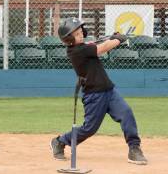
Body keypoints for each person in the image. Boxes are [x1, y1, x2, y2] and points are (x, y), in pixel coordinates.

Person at [50, 17, 147, 165]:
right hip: (94, 96)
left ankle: (134, 148)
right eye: (76, 34)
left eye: (80, 31)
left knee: (126, 112)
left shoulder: (84, 46)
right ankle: (60, 141)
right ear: (69, 40)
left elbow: (96, 45)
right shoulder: (76, 51)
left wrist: (113, 38)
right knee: (89, 129)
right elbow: (101, 48)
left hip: (109, 90)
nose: (81, 34)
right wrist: (118, 40)